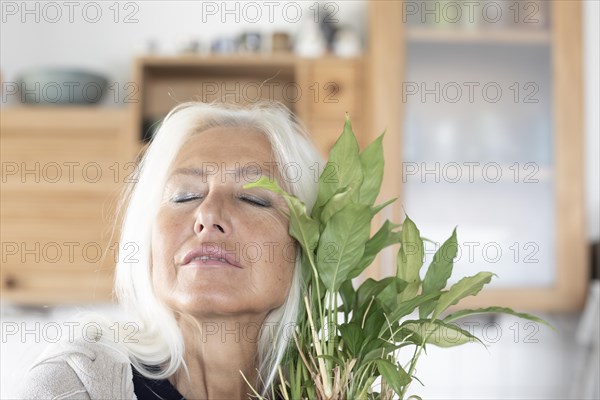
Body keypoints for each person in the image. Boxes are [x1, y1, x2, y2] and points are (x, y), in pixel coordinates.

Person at [15, 101, 323, 399]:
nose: (208, 215)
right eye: (184, 196)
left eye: (253, 199)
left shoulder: (340, 386)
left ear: (308, 247)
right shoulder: (75, 384)